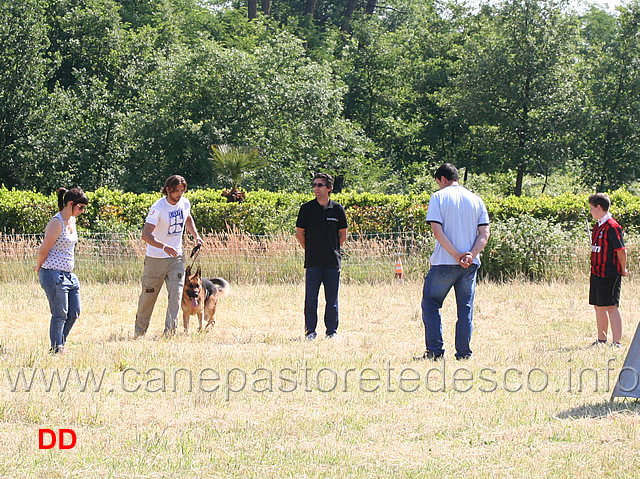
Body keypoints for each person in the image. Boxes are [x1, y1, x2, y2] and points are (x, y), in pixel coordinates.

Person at [419, 163, 490, 360]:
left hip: (444, 262)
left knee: (431, 304)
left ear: (442, 179)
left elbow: (437, 230)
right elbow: (484, 233)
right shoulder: (476, 199)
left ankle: (435, 351)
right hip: (470, 265)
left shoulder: (438, 197)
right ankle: (464, 353)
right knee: (465, 308)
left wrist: (456, 254)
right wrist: (470, 254)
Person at [134, 175, 203, 338]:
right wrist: (164, 246)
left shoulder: (185, 203)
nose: (180, 194)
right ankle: (139, 332)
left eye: (182, 190)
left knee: (177, 294)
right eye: (176, 191)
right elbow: (146, 235)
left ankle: (170, 333)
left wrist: (196, 235)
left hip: (176, 257)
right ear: (167, 190)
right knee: (148, 296)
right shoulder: (158, 207)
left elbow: (188, 218)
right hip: (155, 259)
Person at [34, 187, 89, 354]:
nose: (82, 211)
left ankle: (60, 343)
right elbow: (44, 249)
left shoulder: (71, 220)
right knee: (60, 314)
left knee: (74, 312)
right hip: (53, 273)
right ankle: (56, 348)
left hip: (68, 275)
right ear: (70, 203)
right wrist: (38, 267)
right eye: (81, 207)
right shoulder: (56, 223)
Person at [295, 173, 348, 340]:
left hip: (332, 262)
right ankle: (310, 331)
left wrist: (331, 249)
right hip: (313, 262)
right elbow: (299, 233)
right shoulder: (307, 209)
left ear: (329, 188)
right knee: (311, 298)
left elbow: (343, 235)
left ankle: (331, 331)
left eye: (320, 185)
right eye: (315, 185)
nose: (316, 188)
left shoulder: (338, 210)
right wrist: (310, 250)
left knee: (331, 300)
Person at [588, 193, 628, 348]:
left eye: (592, 208)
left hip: (610, 273)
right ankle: (601, 340)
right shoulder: (598, 226)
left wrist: (623, 269)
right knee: (598, 306)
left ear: (599, 207)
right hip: (597, 272)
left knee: (611, 306)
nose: (591, 211)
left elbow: (621, 251)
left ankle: (617, 342)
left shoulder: (612, 226)